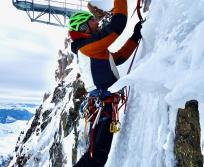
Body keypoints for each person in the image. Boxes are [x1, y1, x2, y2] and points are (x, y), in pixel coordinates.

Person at [68, 0, 142, 166]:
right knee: (97, 155)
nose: (97, 21)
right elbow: (117, 25)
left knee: (97, 154)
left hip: (102, 103)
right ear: (83, 27)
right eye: (92, 20)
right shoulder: (87, 46)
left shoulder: (91, 48)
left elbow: (118, 58)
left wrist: (135, 36)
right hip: (103, 103)